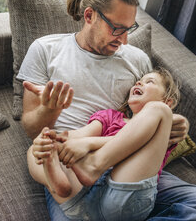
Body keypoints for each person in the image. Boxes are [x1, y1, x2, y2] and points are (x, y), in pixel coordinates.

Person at [18, 0, 196, 220]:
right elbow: (32, 129)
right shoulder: (45, 49)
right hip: (69, 165)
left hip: (126, 159)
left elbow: (145, 113)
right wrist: (50, 110)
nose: (124, 40)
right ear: (89, 16)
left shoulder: (137, 59)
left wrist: (176, 124)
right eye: (117, 29)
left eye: (129, 29)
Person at [31, 68, 179, 220]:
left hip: (122, 197)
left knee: (160, 111)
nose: (140, 83)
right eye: (139, 81)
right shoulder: (110, 117)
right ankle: (57, 183)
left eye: (150, 82)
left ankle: (94, 164)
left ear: (167, 101)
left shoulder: (163, 126)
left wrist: (90, 143)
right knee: (35, 147)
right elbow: (77, 137)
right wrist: (52, 141)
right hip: (79, 199)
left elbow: (88, 142)